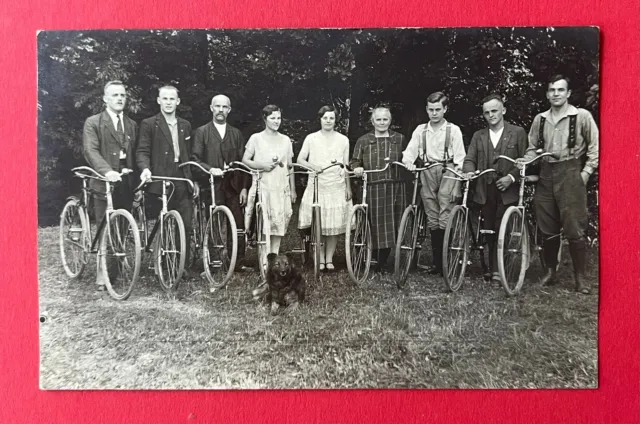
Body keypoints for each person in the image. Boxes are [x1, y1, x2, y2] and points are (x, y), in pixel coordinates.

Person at [523, 75, 599, 294]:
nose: (555, 94)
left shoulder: (581, 116)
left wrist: (584, 174)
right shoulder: (541, 119)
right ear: (547, 94)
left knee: (574, 227)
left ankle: (580, 278)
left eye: (560, 90)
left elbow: (594, 148)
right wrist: (526, 160)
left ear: (568, 93)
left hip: (571, 172)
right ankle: (551, 272)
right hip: (546, 174)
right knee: (547, 226)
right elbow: (532, 147)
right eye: (551, 90)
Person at [462, 94, 528, 282]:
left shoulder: (517, 132)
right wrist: (469, 172)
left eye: (494, 111)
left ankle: (500, 268)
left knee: (503, 227)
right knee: (488, 228)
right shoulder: (479, 136)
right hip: (485, 188)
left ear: (503, 111)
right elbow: (470, 159)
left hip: (508, 190)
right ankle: (491, 266)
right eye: (487, 112)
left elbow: (524, 161)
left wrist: (511, 177)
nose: (491, 115)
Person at [402, 92, 466, 276]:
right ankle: (437, 263)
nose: (434, 113)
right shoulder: (420, 130)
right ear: (426, 110)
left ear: (445, 109)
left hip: (449, 170)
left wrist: (457, 184)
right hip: (428, 170)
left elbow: (461, 159)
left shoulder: (453, 130)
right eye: (431, 110)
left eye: (438, 109)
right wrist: (408, 162)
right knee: (431, 213)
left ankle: (446, 263)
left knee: (445, 210)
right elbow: (409, 152)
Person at [83, 80, 138, 289]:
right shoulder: (94, 122)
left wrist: (133, 173)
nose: (119, 99)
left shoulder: (131, 124)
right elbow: (91, 151)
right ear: (105, 99)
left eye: (122, 95)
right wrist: (108, 171)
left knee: (123, 224)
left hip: (126, 182)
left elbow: (133, 154)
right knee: (105, 224)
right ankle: (102, 272)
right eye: (115, 95)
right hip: (103, 181)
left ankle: (116, 264)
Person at [136, 85, 195, 275]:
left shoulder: (185, 125)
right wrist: (145, 169)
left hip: (181, 178)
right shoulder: (149, 123)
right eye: (165, 98)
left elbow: (188, 156)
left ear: (178, 102)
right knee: (165, 220)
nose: (168, 102)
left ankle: (180, 265)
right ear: (159, 100)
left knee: (185, 224)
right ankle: (161, 261)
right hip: (160, 178)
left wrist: (191, 180)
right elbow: (143, 150)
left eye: (172, 99)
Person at [191, 94, 252, 273]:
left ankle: (237, 261)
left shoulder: (236, 134)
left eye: (224, 107)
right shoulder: (202, 132)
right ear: (211, 108)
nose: (220, 110)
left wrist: (243, 188)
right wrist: (210, 169)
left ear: (229, 110)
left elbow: (243, 163)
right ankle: (214, 262)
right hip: (211, 185)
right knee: (214, 222)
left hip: (233, 186)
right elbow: (195, 159)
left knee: (237, 224)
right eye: (217, 106)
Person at [350, 106, 407, 273]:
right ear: (372, 121)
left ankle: (383, 259)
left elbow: (409, 157)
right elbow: (354, 161)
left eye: (385, 119)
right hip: (371, 187)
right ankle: (369, 256)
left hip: (393, 187)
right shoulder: (364, 140)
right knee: (371, 221)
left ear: (390, 121)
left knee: (390, 223)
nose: (382, 123)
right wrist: (357, 168)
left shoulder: (400, 139)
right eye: (378, 119)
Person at [297, 105, 352, 271]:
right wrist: (312, 166)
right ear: (320, 119)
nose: (328, 121)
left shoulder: (343, 140)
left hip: (336, 185)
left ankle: (329, 259)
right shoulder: (311, 138)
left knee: (333, 225)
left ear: (335, 120)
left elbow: (345, 166)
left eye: (331, 118)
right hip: (317, 185)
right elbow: (300, 159)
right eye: (325, 118)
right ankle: (319, 258)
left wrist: (348, 187)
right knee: (318, 224)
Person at [242, 104, 296, 256]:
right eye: (273, 118)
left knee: (279, 224)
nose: (276, 121)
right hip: (264, 185)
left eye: (279, 118)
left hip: (281, 186)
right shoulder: (256, 138)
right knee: (264, 224)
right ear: (265, 119)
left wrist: (293, 189)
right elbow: (245, 160)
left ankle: (275, 256)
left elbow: (289, 166)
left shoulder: (285, 140)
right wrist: (262, 166)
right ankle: (264, 259)